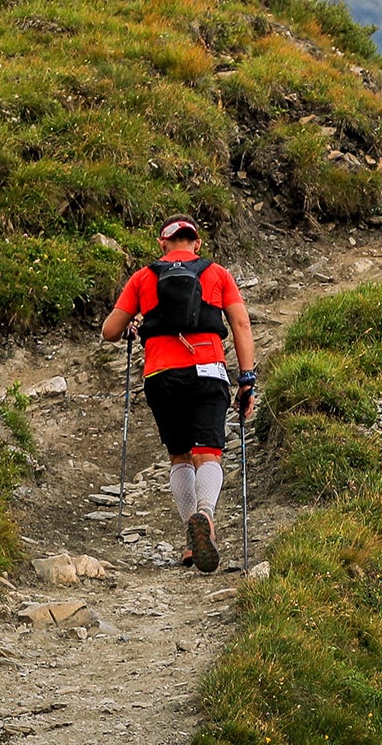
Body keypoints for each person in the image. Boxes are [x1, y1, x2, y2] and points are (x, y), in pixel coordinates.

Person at [100, 217, 256, 574]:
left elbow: (110, 330)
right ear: (196, 244)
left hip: (161, 374)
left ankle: (191, 539)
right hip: (208, 370)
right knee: (208, 453)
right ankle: (205, 515)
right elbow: (241, 325)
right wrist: (247, 378)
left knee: (180, 457)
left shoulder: (144, 277)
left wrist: (134, 324)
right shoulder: (217, 273)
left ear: (163, 243)